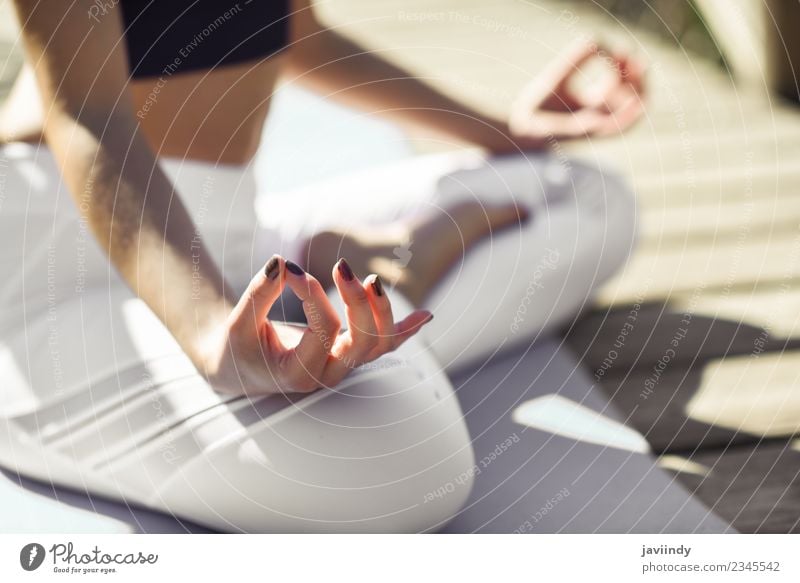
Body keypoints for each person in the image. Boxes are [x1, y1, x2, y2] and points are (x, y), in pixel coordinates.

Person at [0, 0, 643, 532]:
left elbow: (298, 36)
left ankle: (331, 289)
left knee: (583, 194)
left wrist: (500, 131)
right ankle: (385, 284)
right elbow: (91, 114)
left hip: (232, 229)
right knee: (404, 465)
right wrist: (205, 331)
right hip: (63, 264)